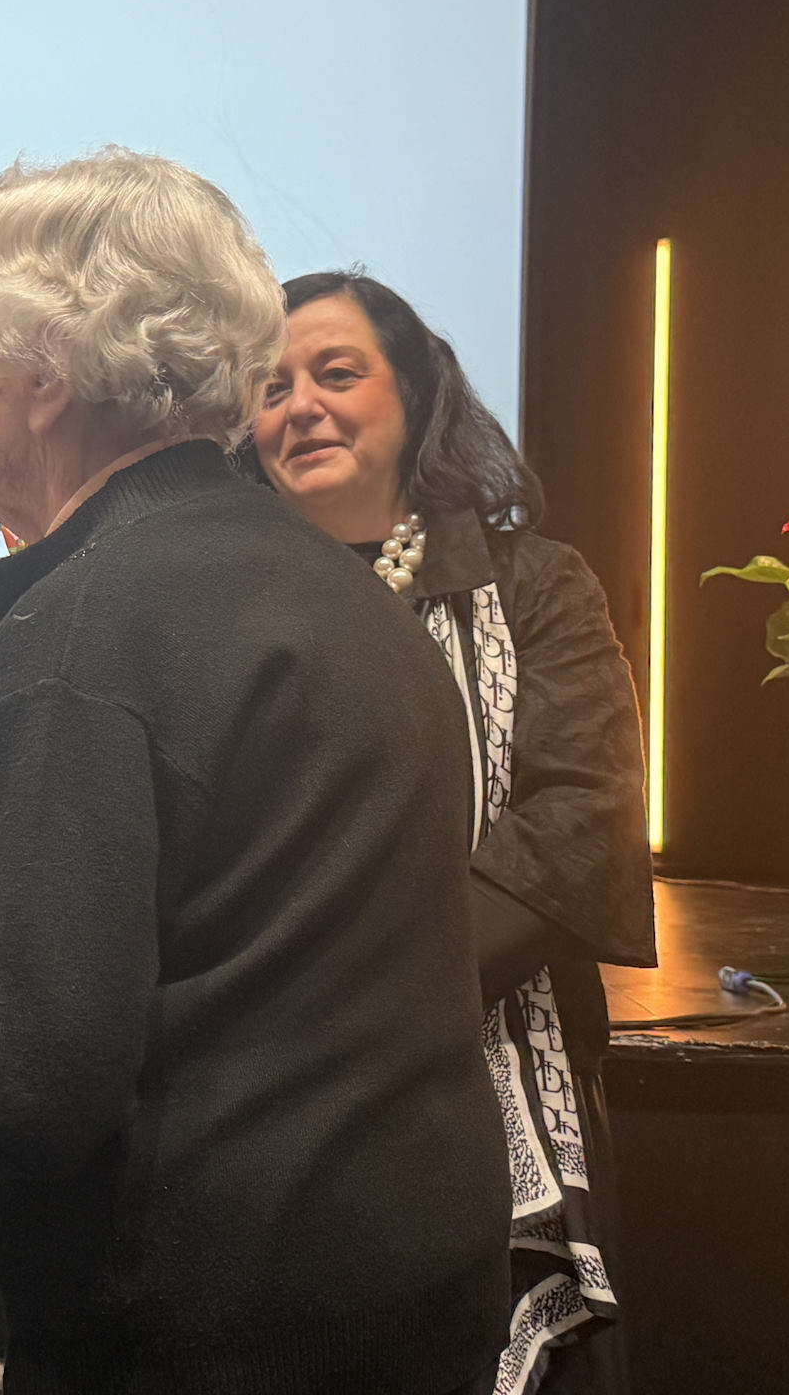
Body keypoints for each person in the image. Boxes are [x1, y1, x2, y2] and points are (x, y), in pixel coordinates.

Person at [0, 149, 512, 1394]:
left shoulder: (78, 636)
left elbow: (18, 1092)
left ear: (44, 376)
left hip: (207, 1330)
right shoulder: (350, 593)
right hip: (414, 1302)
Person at [244, 271, 657, 1395]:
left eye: (337, 373)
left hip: (482, 1077)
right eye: (270, 387)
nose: (301, 406)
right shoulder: (221, 603)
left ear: (416, 394)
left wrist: (362, 996)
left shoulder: (534, 586)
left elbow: (577, 825)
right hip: (266, 1104)